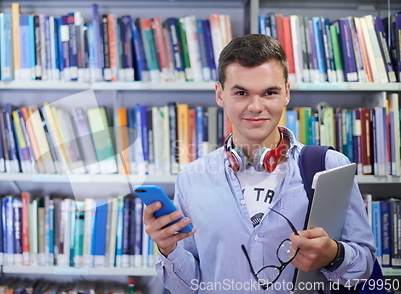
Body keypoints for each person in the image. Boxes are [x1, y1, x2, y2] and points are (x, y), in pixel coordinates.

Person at [142, 34, 376, 293]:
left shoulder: (329, 166)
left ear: (286, 93)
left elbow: (365, 266)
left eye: (270, 92)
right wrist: (168, 248)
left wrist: (334, 255)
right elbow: (187, 288)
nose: (256, 106)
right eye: (241, 92)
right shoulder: (192, 177)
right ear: (220, 94)